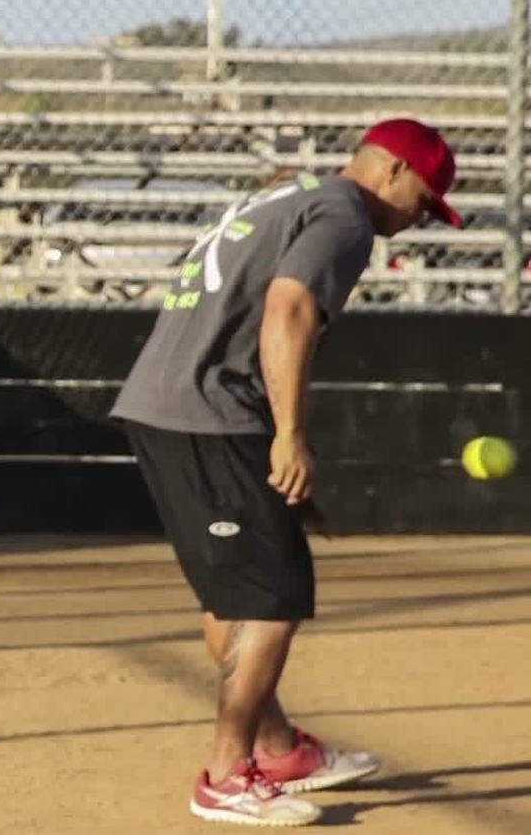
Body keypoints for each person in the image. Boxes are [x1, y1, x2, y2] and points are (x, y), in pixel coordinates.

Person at [108, 117, 461, 827]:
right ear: (391, 168)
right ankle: (224, 775)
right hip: (208, 411)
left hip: (171, 404)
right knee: (272, 594)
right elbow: (289, 307)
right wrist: (290, 435)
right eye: (425, 199)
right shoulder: (346, 215)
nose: (420, 217)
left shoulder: (293, 194)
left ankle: (275, 748)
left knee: (238, 591)